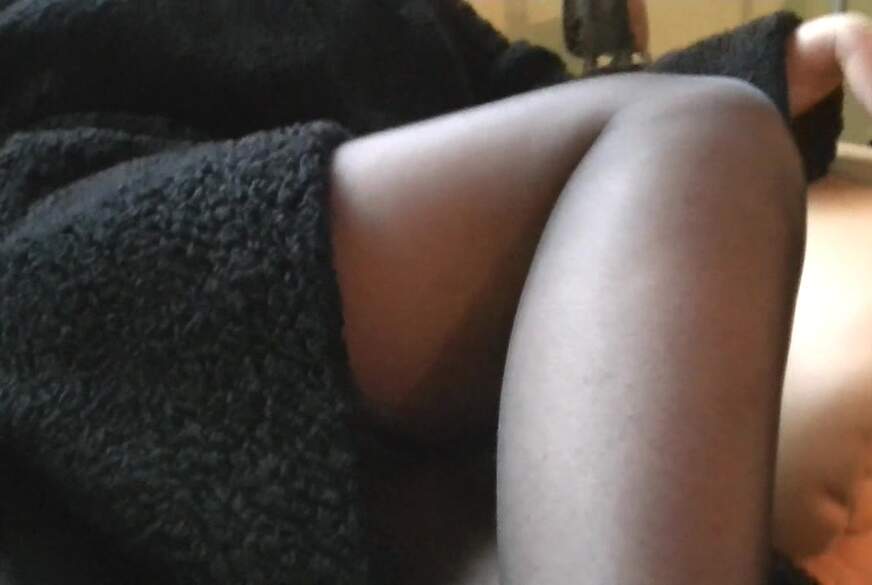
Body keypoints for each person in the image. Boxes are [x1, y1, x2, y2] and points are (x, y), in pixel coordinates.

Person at [0, 1, 868, 584]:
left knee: (520, 522)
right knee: (709, 125)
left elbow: (547, 117)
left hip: (391, 395)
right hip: (97, 262)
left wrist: (797, 57)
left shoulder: (418, 18)